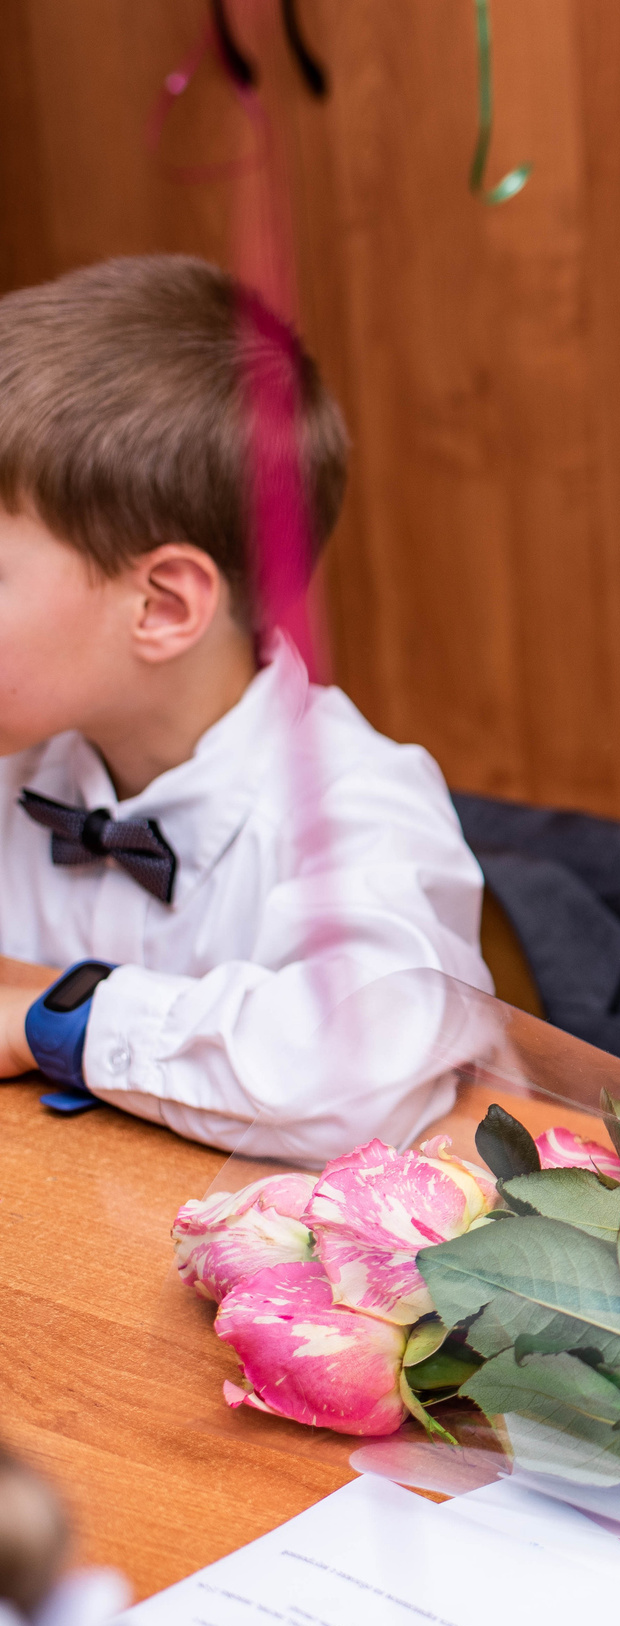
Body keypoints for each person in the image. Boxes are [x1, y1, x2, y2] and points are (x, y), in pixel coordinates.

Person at [0, 255, 490, 1157]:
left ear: (163, 607)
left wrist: (55, 1011)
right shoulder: (21, 760)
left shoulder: (358, 809)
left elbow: (357, 1072)